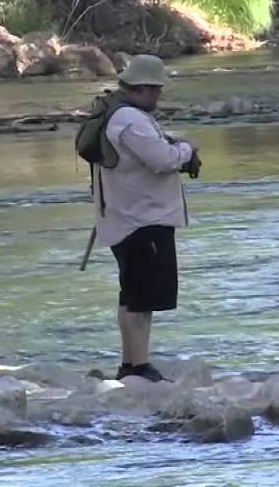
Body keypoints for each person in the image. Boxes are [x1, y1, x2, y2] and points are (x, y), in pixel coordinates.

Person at [91, 54, 198, 382]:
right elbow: (160, 159)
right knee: (142, 299)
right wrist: (187, 151)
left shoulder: (116, 114)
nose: (159, 96)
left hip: (126, 218)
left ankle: (130, 364)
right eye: (157, 90)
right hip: (142, 219)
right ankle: (138, 367)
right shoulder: (131, 120)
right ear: (147, 88)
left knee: (132, 295)